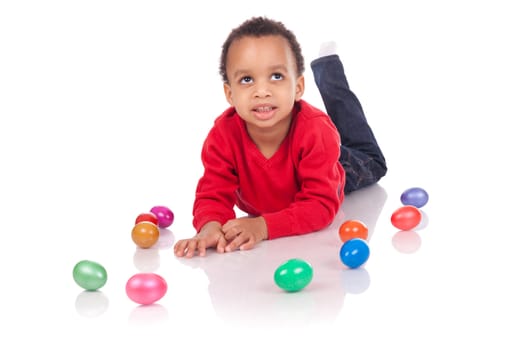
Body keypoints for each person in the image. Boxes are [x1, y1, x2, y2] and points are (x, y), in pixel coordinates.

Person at [174, 16, 387, 258]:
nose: (262, 91)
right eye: (247, 80)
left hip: (329, 165)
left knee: (373, 161)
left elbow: (320, 206)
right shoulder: (222, 136)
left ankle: (329, 71)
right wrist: (210, 225)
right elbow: (212, 193)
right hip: (302, 166)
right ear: (230, 94)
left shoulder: (316, 132)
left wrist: (263, 226)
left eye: (276, 76)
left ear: (297, 88)